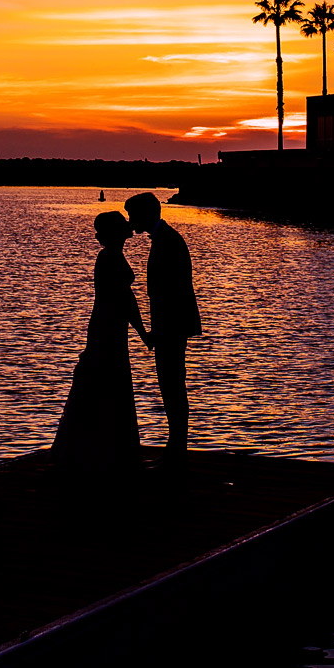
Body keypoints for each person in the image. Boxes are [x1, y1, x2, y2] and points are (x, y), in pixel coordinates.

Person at [51, 211, 150, 470]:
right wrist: (143, 333)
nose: (129, 226)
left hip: (110, 324)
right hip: (108, 325)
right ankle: (103, 450)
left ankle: (105, 448)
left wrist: (140, 332)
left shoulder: (112, 256)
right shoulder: (109, 258)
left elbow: (126, 300)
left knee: (107, 381)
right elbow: (125, 300)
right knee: (106, 380)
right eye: (123, 224)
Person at [124, 192, 201, 465]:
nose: (130, 221)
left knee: (172, 385)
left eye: (133, 215)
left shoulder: (168, 242)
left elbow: (171, 291)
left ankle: (176, 448)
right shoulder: (166, 239)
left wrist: (160, 329)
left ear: (145, 215)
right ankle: (176, 446)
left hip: (172, 325)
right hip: (172, 324)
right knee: (171, 384)